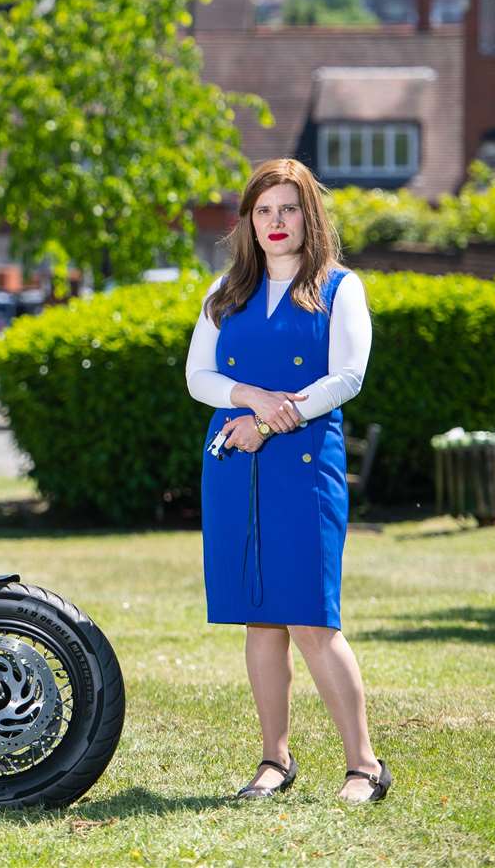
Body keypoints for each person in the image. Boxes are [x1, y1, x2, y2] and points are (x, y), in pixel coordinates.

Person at [184, 158, 391, 805]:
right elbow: (199, 378)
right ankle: (274, 760)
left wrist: (270, 421)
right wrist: (247, 396)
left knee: (310, 620)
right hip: (233, 467)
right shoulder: (224, 293)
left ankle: (364, 767)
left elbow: (345, 377)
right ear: (248, 221)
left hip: (303, 468)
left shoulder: (339, 288)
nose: (275, 222)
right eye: (263, 210)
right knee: (259, 621)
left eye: (288, 208)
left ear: (310, 215)